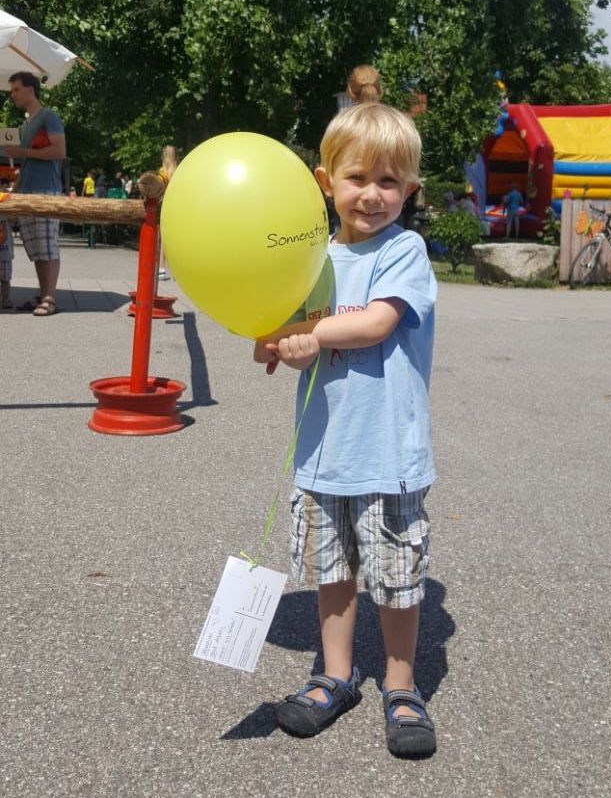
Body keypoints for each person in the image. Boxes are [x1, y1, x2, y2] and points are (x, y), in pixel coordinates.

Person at [254, 102, 438, 758]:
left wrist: (308, 333)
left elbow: (376, 323)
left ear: (409, 191)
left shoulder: (405, 250)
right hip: (324, 452)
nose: (372, 194)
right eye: (357, 177)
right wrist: (278, 343)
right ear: (325, 181)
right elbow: (284, 334)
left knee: (396, 577)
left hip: (387, 454)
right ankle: (336, 674)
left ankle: (401, 682)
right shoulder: (312, 259)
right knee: (331, 571)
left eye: (390, 181)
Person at [4, 72, 66, 317]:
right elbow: (29, 160)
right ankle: (43, 294)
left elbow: (59, 151)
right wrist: (17, 190)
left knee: (47, 246)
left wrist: (23, 152)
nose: (12, 95)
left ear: (31, 89)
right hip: (28, 191)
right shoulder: (26, 125)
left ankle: (49, 298)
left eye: (16, 90)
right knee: (37, 248)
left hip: (45, 191)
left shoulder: (49, 116)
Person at [158, 145, 178, 280]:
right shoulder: (178, 170)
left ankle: (161, 268)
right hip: (176, 206)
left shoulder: (162, 171)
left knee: (163, 239)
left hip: (164, 205)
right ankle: (176, 271)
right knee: (175, 239)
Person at [0, 218, 14, 311]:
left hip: (5, 252)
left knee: (5, 279)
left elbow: (15, 220)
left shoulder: (7, 214)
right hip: (5, 252)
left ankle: (6, 299)